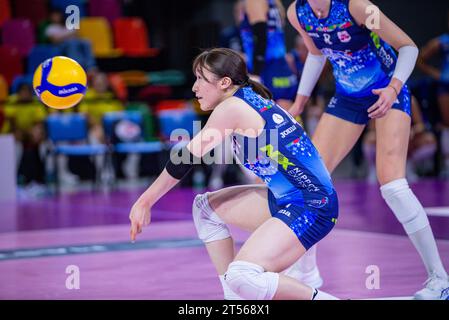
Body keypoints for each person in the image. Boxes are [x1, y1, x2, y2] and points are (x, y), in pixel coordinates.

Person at [129, 48, 339, 300]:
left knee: (243, 275)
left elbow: (184, 159)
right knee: (205, 209)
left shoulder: (232, 108)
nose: (194, 88)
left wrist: (145, 201)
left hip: (311, 206)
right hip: (292, 199)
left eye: (200, 79)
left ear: (225, 82)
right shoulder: (249, 97)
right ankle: (236, 301)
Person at [286, 0, 449, 299]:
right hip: (348, 97)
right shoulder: (297, 12)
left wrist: (394, 89)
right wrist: (299, 101)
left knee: (394, 186)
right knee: (308, 181)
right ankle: (307, 271)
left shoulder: (358, 7)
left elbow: (408, 47)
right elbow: (315, 52)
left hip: (386, 90)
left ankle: (440, 280)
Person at [240, 0, 298, 109]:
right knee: (287, 116)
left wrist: (256, 74)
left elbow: (261, 37)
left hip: (267, 70)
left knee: (272, 117)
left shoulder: (255, 2)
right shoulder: (274, 3)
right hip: (281, 69)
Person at [417, 11, 449, 177]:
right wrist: (437, 74)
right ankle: (447, 164)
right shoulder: (442, 42)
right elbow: (420, 58)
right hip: (446, 86)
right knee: (447, 123)